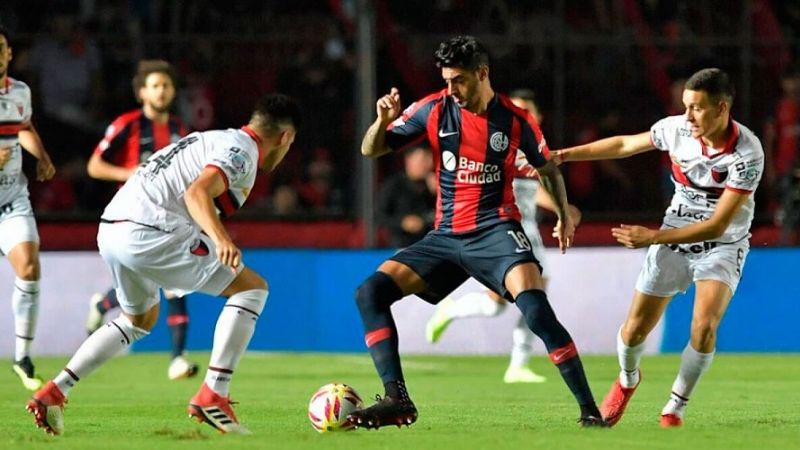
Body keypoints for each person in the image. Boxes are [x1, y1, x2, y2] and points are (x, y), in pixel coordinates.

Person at [349, 35, 606, 429]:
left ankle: (590, 410)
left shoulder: (515, 119)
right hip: (446, 236)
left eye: (460, 81)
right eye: (447, 80)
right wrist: (382, 120)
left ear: (482, 74)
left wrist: (564, 215)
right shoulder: (433, 109)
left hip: (495, 231)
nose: (452, 90)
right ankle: (397, 399)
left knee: (536, 311)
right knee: (370, 292)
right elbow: (372, 149)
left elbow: (548, 168)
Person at [26, 94, 300, 435]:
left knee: (139, 320)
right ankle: (214, 393)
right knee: (252, 289)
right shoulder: (241, 152)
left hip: (112, 228)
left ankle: (54, 392)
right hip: (150, 230)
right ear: (286, 138)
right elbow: (197, 193)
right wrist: (221, 238)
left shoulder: (212, 138)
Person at [552, 68, 763, 428]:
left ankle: (674, 408)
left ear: (721, 108)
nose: (688, 116)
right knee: (634, 330)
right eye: (685, 106)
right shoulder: (676, 128)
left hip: (722, 245)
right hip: (676, 231)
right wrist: (565, 155)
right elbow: (623, 145)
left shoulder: (747, 153)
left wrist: (652, 237)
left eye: (696, 108)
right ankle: (627, 379)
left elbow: (717, 225)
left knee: (704, 328)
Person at [425, 89, 581, 384]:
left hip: (528, 230)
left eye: (528, 111)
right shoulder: (497, 141)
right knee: (500, 303)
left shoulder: (534, 147)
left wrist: (564, 211)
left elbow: (533, 189)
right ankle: (454, 309)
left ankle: (519, 363)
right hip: (500, 230)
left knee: (535, 296)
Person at [84, 59, 198, 380]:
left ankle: (178, 358)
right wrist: (128, 172)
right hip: (133, 217)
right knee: (153, 284)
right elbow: (94, 166)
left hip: (172, 216)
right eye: (155, 85)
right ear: (142, 92)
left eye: (166, 85)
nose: (161, 91)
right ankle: (105, 302)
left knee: (174, 284)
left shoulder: (181, 130)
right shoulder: (127, 125)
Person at [0, 26, 57, 391]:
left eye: (1, 48)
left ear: (8, 54)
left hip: (10, 200)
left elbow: (24, 126)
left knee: (30, 266)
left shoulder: (20, 91)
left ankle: (22, 357)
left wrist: (42, 158)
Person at [376, 145, 436, 248]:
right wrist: (403, 223)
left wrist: (439, 194)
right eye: (423, 160)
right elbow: (379, 216)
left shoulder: (433, 185)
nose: (428, 165)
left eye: (430, 160)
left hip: (431, 245)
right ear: (408, 160)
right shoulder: (394, 184)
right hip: (402, 245)